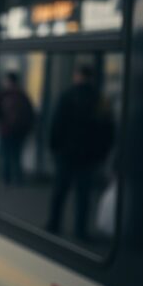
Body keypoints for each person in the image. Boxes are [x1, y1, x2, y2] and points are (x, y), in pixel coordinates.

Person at [46, 65, 115, 240]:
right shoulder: (101, 99)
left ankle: (54, 224)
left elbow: (57, 124)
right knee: (83, 195)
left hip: (66, 153)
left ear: (77, 76)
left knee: (60, 191)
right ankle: (80, 230)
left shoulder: (67, 96)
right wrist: (102, 153)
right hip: (89, 156)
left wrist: (54, 148)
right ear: (91, 77)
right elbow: (108, 130)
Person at [0, 72, 34, 185]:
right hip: (20, 131)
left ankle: (7, 178)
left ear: (8, 81)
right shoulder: (23, 95)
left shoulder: (4, 95)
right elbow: (30, 114)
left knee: (7, 154)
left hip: (7, 129)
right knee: (17, 155)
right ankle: (18, 178)